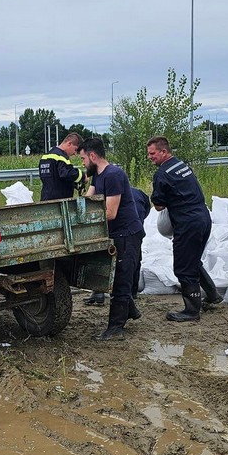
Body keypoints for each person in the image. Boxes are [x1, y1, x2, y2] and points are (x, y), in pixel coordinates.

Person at [79, 137, 144, 341]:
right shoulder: (97, 175)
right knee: (116, 277)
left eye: (82, 159)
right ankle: (130, 311)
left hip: (127, 234)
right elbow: (88, 200)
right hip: (116, 233)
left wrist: (86, 218)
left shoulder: (113, 175)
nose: (81, 163)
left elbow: (110, 213)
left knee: (121, 282)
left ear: (92, 156)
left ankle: (115, 329)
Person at [146, 136, 217, 321]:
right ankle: (213, 295)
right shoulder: (180, 165)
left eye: (152, 153)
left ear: (163, 151)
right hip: (203, 217)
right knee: (192, 260)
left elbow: (159, 206)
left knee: (184, 267)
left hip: (187, 223)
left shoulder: (162, 174)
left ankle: (192, 311)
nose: (149, 157)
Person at [84, 185, 149, 314]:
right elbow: (147, 209)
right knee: (134, 261)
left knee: (104, 259)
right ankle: (132, 292)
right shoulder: (138, 193)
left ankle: (99, 293)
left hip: (120, 229)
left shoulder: (108, 194)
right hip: (135, 228)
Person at [39, 133, 86, 201]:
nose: (75, 154)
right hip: (59, 202)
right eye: (75, 149)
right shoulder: (61, 157)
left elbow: (55, 179)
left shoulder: (45, 157)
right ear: (69, 143)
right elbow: (67, 174)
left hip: (45, 199)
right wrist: (83, 176)